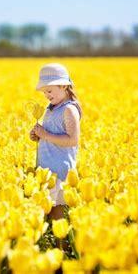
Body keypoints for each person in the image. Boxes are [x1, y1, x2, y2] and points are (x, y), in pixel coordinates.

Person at [29, 62, 82, 250]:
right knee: (51, 215)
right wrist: (37, 136)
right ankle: (59, 252)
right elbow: (50, 135)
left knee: (58, 216)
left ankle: (64, 252)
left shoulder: (69, 109)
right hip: (47, 170)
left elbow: (73, 140)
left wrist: (45, 135)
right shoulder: (50, 108)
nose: (47, 95)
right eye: (45, 92)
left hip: (60, 171)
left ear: (64, 86)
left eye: (50, 90)